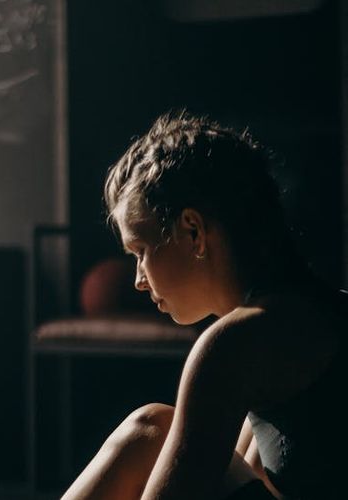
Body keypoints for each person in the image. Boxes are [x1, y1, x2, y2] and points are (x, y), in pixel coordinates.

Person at [61, 112, 348, 500]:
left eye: (141, 251)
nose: (138, 279)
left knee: (147, 431)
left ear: (193, 232)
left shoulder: (234, 345)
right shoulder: (317, 311)